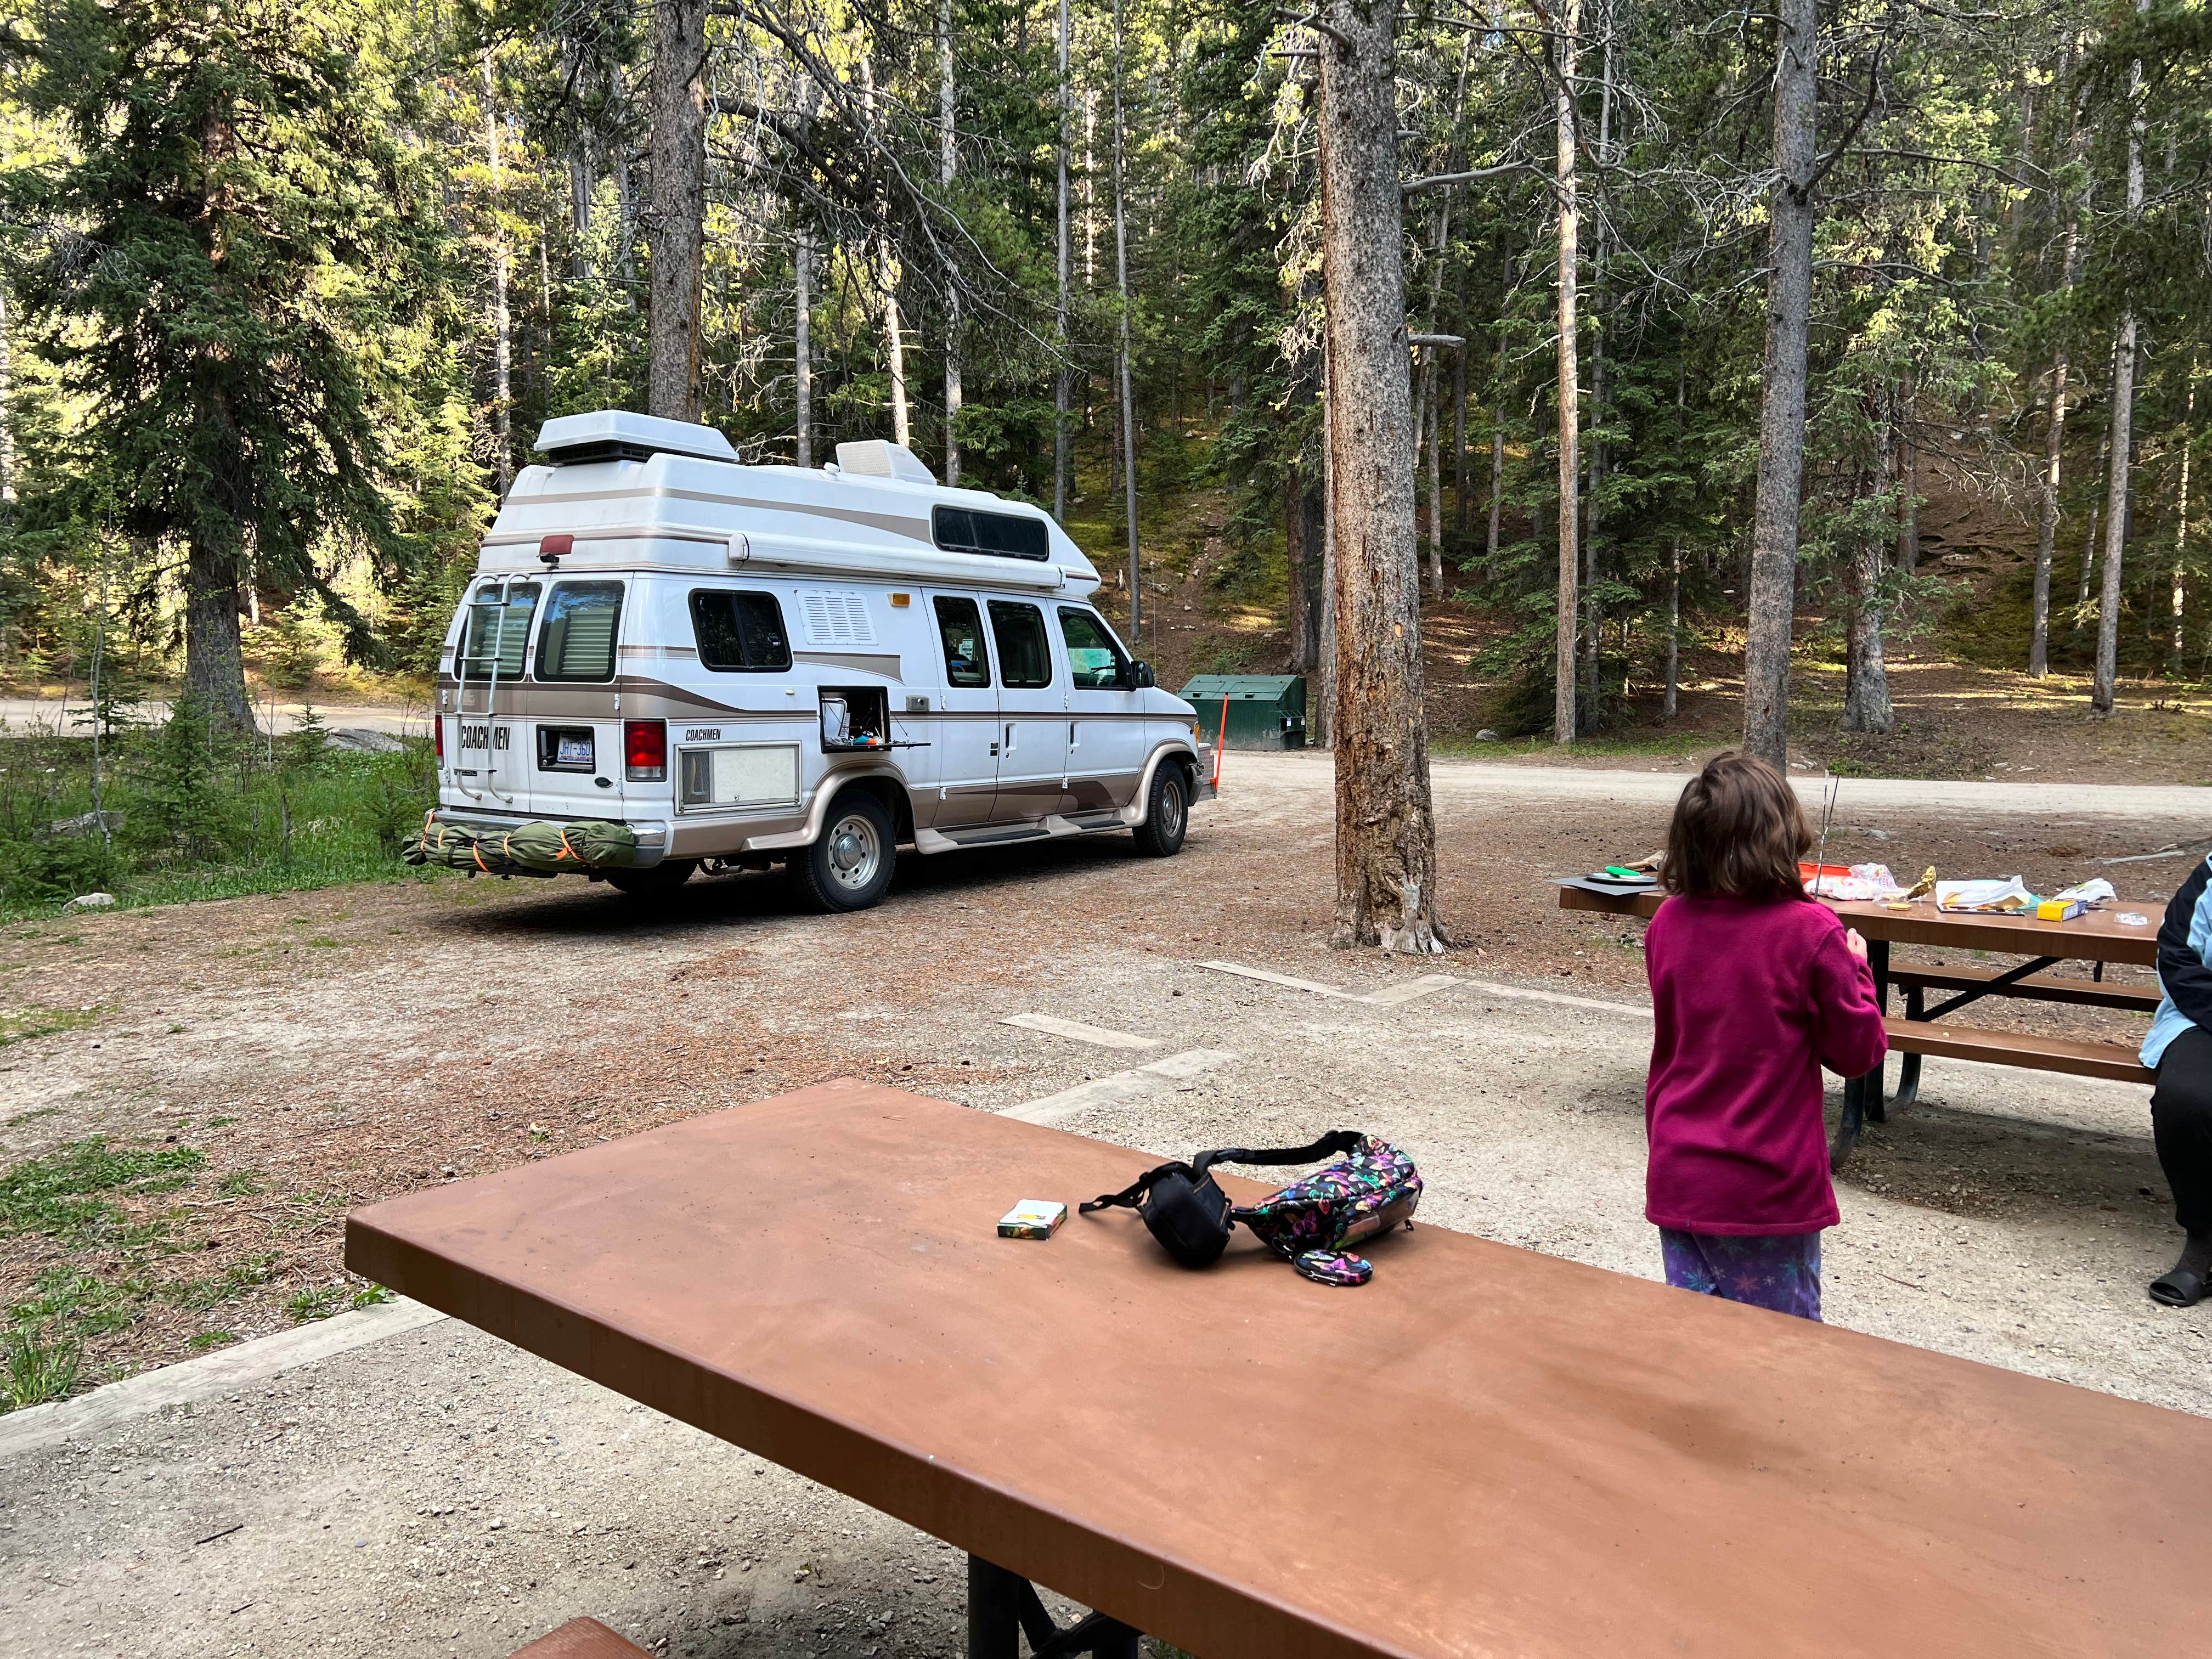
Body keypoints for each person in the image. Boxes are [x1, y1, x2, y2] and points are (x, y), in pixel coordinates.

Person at [1643, 752, 1889, 1321]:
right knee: (1782, 1357)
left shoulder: (1667, 922)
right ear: (1782, 835)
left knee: (1700, 1344)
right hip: (1765, 1185)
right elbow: (1857, 1055)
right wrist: (1857, 971)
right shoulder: (1813, 932)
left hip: (1680, 1170)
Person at [2138, 860, 2212, 1306]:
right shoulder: (2209, 876)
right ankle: (2203, 1241)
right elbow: (2177, 956)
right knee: (2185, 1100)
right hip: (2205, 1017)